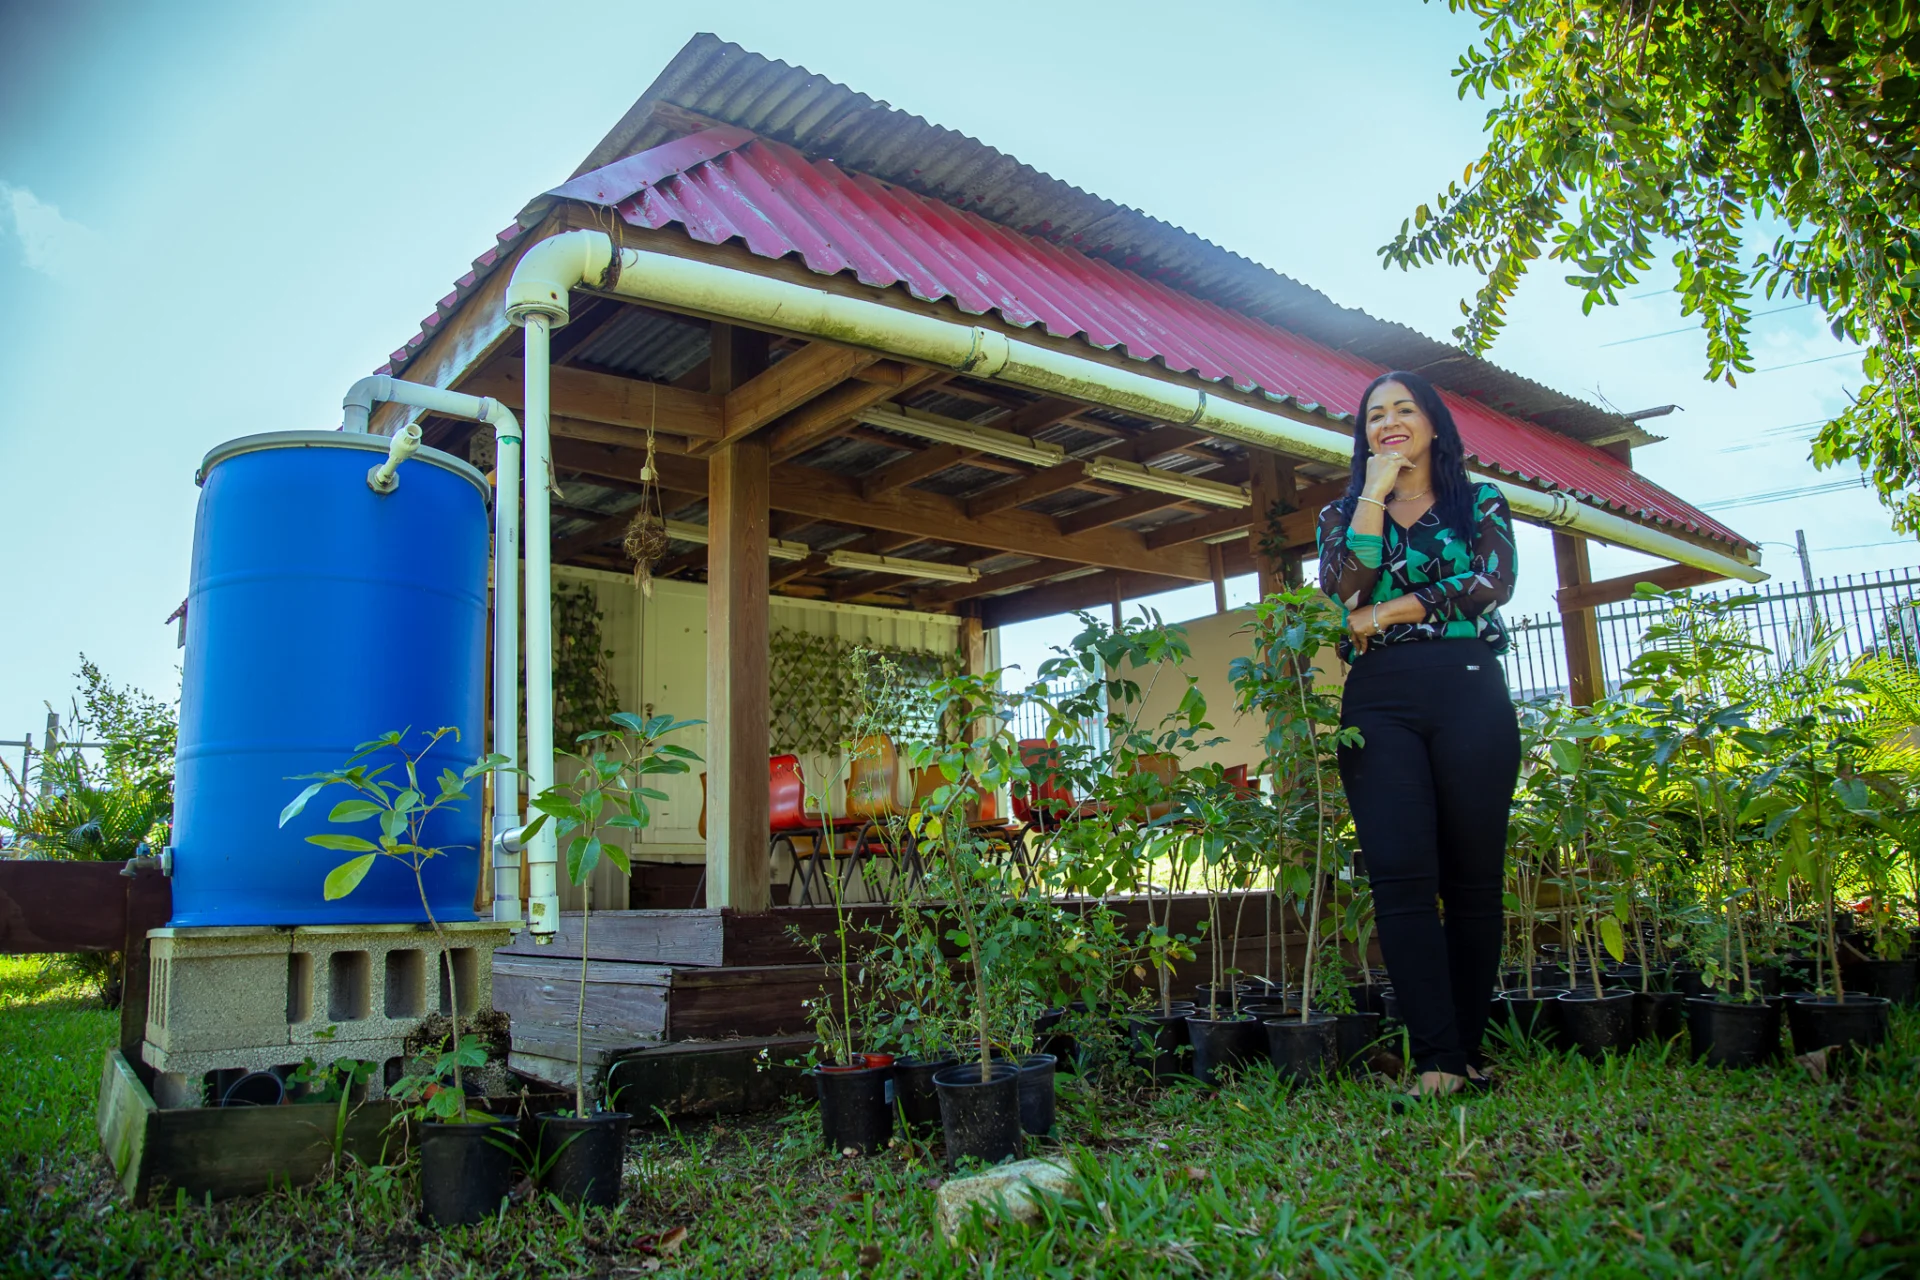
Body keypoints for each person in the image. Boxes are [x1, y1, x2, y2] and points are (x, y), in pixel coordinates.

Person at [1315, 369, 1521, 1103]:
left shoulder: (1479, 501)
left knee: (1472, 882)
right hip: (1379, 698)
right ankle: (1436, 1060)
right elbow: (1344, 589)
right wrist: (1373, 493)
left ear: (1434, 423)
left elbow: (1490, 584)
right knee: (1400, 879)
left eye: (1405, 409)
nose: (1389, 422)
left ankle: (1465, 1052)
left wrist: (1387, 613)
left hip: (1469, 687)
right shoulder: (1342, 513)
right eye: (1375, 415)